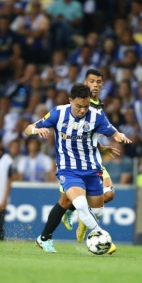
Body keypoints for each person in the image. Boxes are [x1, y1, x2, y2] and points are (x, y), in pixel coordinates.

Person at [26, 83, 131, 253]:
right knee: (81, 203)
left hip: (92, 169)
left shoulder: (97, 116)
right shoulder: (58, 113)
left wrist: (120, 137)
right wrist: (35, 131)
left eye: (86, 106)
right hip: (68, 169)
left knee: (95, 211)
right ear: (70, 101)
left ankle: (51, 230)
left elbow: (114, 132)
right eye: (79, 106)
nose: (83, 110)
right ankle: (102, 237)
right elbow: (29, 128)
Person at [51, 69, 118, 245]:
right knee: (65, 201)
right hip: (72, 163)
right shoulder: (78, 104)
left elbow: (89, 134)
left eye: (98, 82)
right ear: (85, 83)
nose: (95, 85)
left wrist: (101, 147)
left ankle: (82, 219)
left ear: (102, 84)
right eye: (91, 81)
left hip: (92, 161)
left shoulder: (98, 106)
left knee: (109, 194)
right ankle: (48, 235)